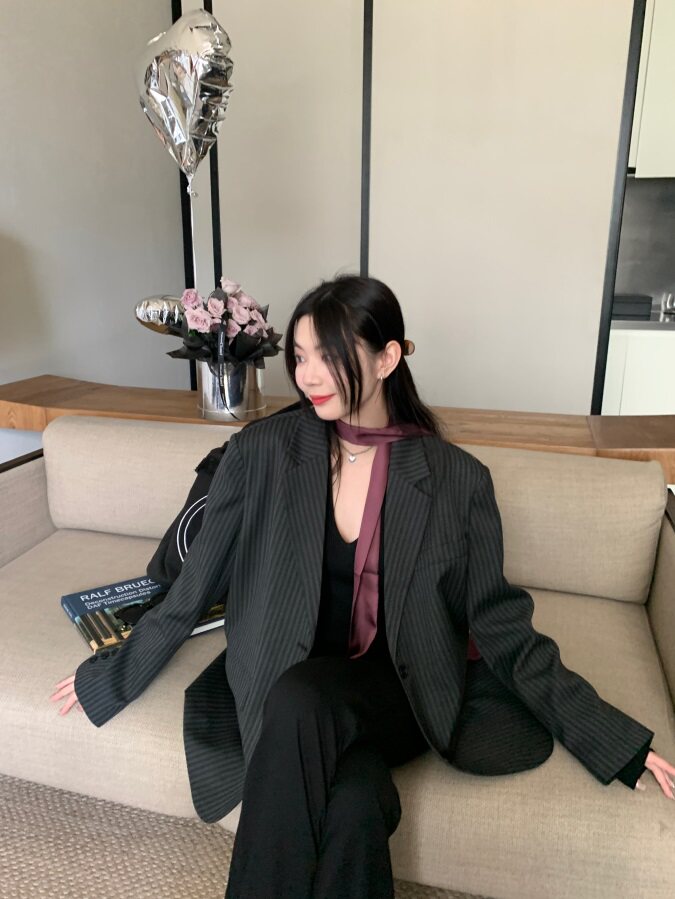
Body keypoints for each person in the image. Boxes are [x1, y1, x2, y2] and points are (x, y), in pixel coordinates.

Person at [52, 275, 675, 899]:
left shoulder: (457, 482)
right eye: (300, 357)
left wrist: (613, 738)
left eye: (330, 357)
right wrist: (111, 675)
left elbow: (501, 625)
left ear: (387, 358)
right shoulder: (259, 454)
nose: (308, 376)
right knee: (354, 802)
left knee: (301, 702)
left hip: (396, 692)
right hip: (288, 678)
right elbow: (193, 589)